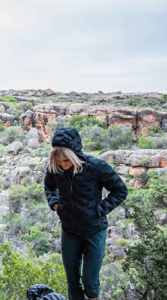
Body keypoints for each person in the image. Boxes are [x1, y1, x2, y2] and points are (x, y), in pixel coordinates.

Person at [44, 127, 127, 300]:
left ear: (74, 154)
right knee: (72, 281)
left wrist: (98, 210)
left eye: (66, 160)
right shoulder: (55, 168)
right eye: (59, 161)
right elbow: (49, 187)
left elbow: (120, 190)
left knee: (89, 280)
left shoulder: (96, 167)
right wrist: (56, 205)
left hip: (94, 230)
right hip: (69, 231)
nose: (62, 165)